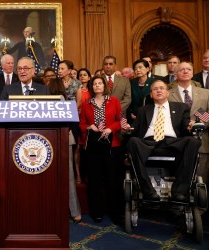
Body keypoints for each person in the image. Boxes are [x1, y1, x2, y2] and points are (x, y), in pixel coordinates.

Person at [126, 80, 201, 202]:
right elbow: (135, 128)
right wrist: (128, 129)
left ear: (167, 92)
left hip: (172, 142)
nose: (159, 90)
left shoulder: (181, 107)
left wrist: (190, 126)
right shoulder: (143, 110)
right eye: (155, 89)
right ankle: (148, 191)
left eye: (161, 88)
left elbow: (185, 127)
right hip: (148, 143)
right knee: (133, 141)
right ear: (151, 94)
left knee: (193, 142)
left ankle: (179, 192)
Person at [79, 75, 123, 224]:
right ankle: (96, 212)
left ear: (104, 86)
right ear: (92, 87)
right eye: (95, 84)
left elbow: (120, 120)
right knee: (95, 181)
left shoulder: (114, 101)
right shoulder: (86, 103)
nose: (97, 85)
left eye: (100, 83)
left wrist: (111, 128)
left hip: (112, 145)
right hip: (93, 146)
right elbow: (81, 123)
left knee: (113, 180)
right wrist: (88, 127)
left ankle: (115, 212)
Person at [168, 62, 209, 186]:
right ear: (175, 74)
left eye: (188, 69)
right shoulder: (168, 94)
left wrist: (199, 123)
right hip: (178, 142)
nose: (185, 71)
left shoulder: (206, 93)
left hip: (203, 143)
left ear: (192, 73)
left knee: (202, 182)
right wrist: (184, 124)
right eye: (182, 70)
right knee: (180, 180)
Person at [48, 77, 82, 223]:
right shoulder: (66, 100)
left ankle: (60, 211)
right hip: (62, 139)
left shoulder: (56, 99)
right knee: (68, 176)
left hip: (57, 139)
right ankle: (75, 212)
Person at [128, 59, 156, 123]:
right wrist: (131, 112)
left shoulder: (154, 82)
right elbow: (128, 99)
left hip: (150, 115)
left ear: (147, 69)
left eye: (140, 67)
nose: (137, 70)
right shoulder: (131, 83)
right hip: (134, 116)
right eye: (135, 69)